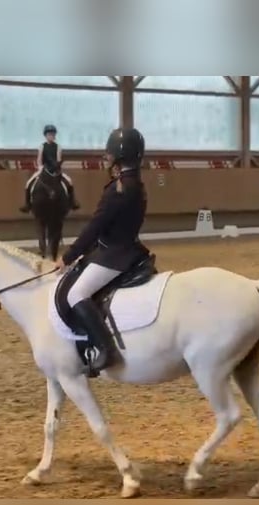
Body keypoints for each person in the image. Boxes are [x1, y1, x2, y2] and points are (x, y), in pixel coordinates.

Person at [54, 126, 150, 377]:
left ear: (119, 154)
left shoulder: (118, 189)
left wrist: (68, 256)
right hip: (128, 249)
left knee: (76, 294)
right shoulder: (134, 183)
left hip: (114, 256)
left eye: (108, 153)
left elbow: (95, 227)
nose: (105, 157)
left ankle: (106, 349)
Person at [19, 124, 80, 213]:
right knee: (28, 183)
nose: (51, 136)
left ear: (54, 135)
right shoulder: (42, 146)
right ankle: (27, 204)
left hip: (55, 170)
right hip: (44, 169)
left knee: (69, 181)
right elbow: (39, 159)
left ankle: (72, 202)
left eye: (52, 134)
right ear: (46, 135)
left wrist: (58, 168)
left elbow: (58, 159)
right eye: (49, 134)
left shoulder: (58, 147)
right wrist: (40, 168)